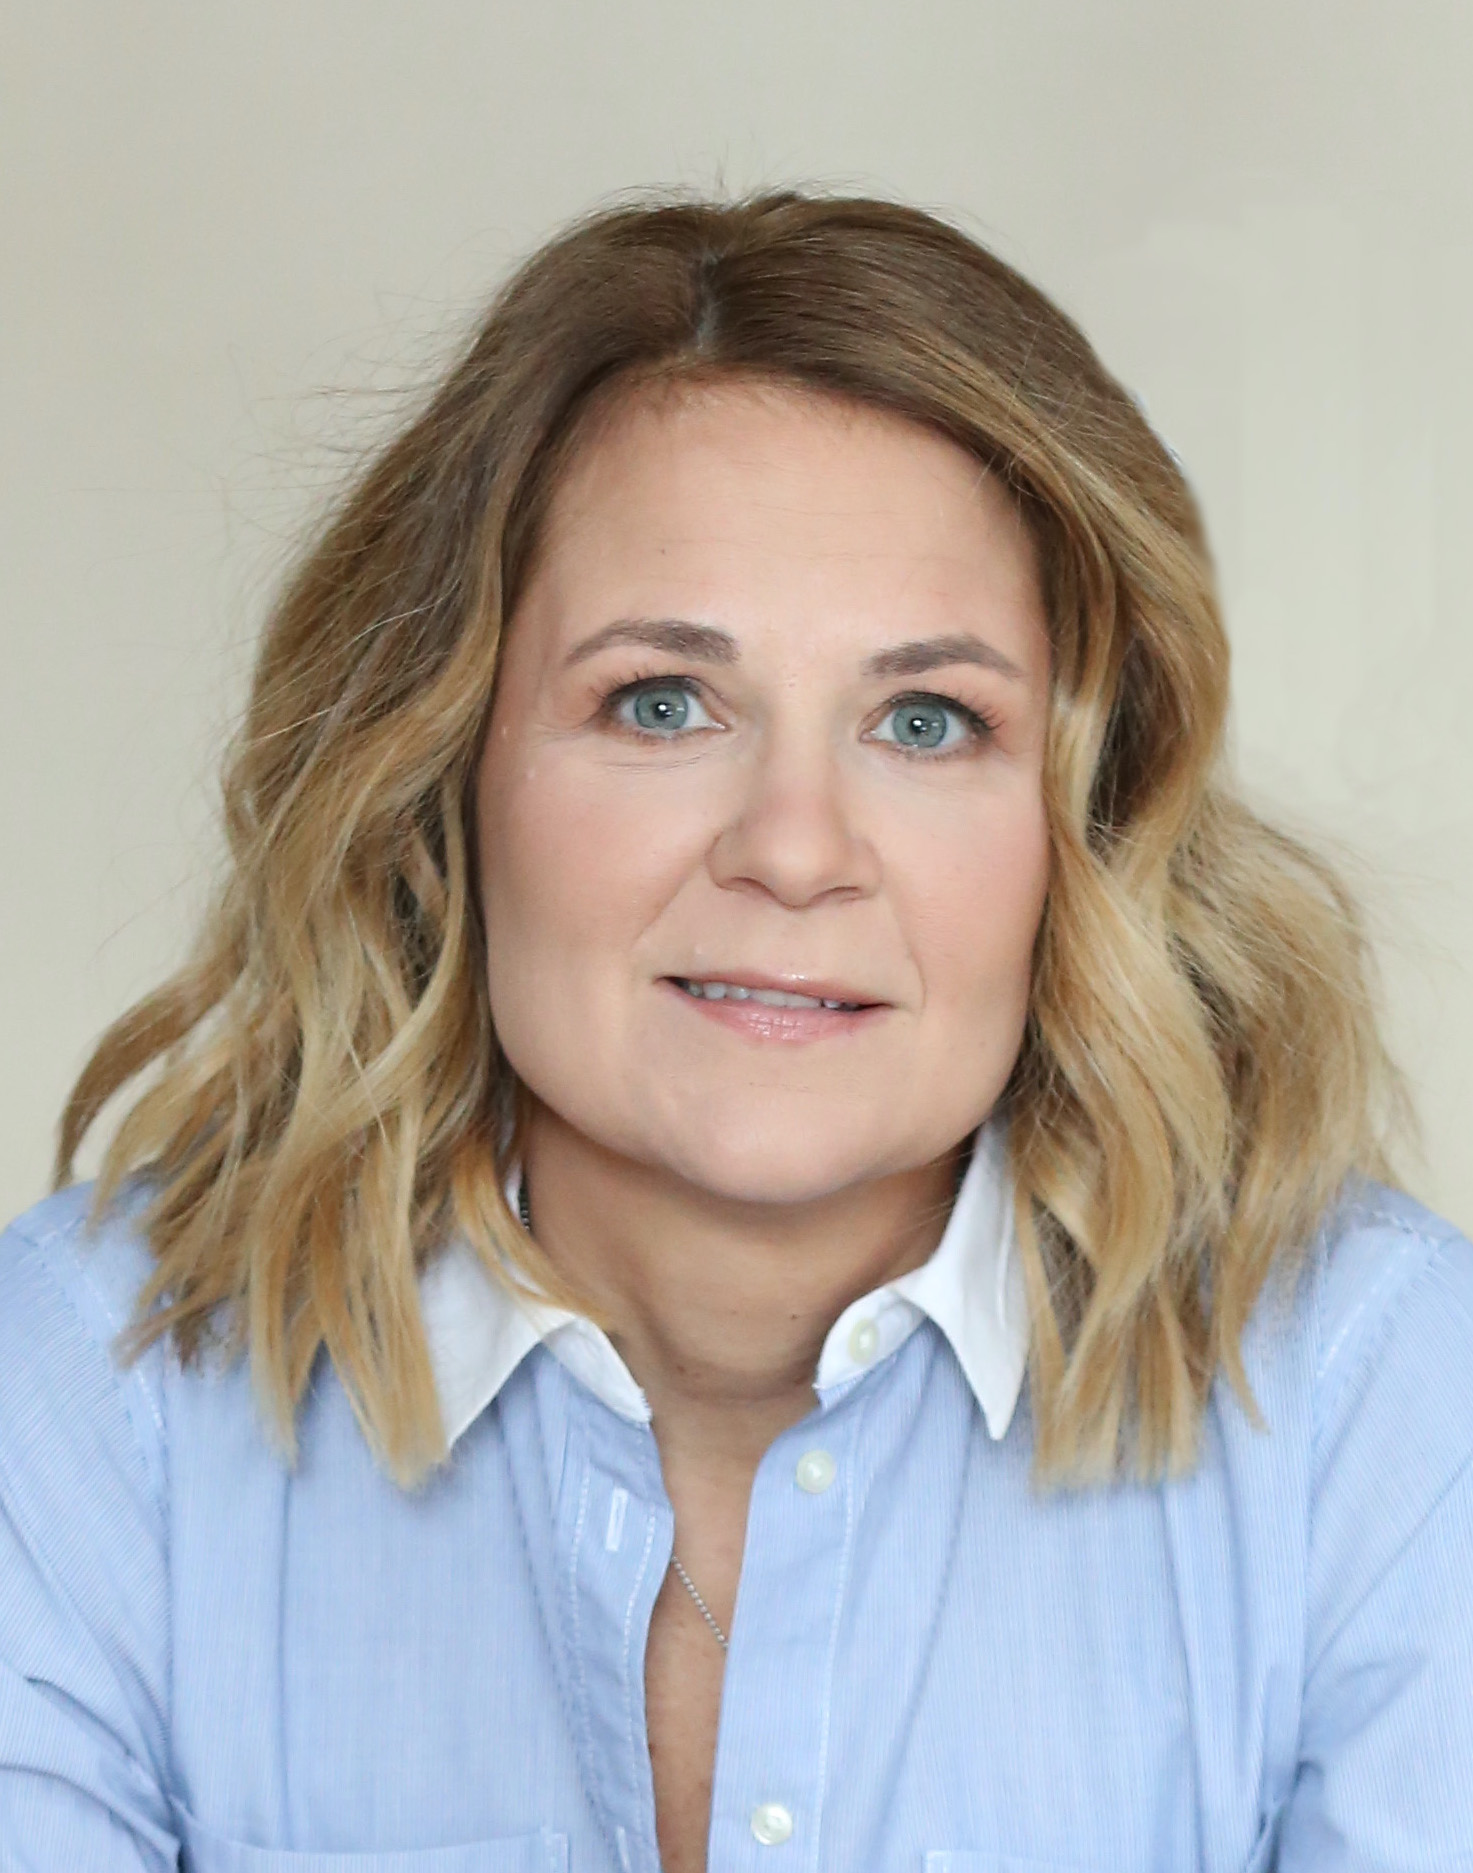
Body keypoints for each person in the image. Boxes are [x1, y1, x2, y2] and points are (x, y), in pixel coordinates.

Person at [1, 190, 1468, 1873]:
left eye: (926, 721)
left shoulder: (1382, 1401)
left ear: (1086, 815)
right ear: (440, 772)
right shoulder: (90, 1388)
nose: (792, 847)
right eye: (660, 703)